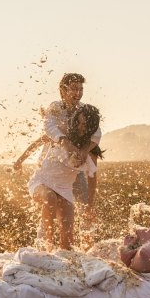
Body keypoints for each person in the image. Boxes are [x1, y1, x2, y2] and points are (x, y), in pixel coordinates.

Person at [27, 104, 103, 250]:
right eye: (79, 123)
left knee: (67, 243)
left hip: (64, 189)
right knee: (50, 198)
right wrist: (19, 161)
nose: (81, 128)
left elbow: (92, 180)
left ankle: (62, 260)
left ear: (92, 128)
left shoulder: (91, 152)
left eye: (86, 126)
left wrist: (90, 206)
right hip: (42, 182)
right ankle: (48, 246)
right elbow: (41, 138)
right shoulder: (61, 134)